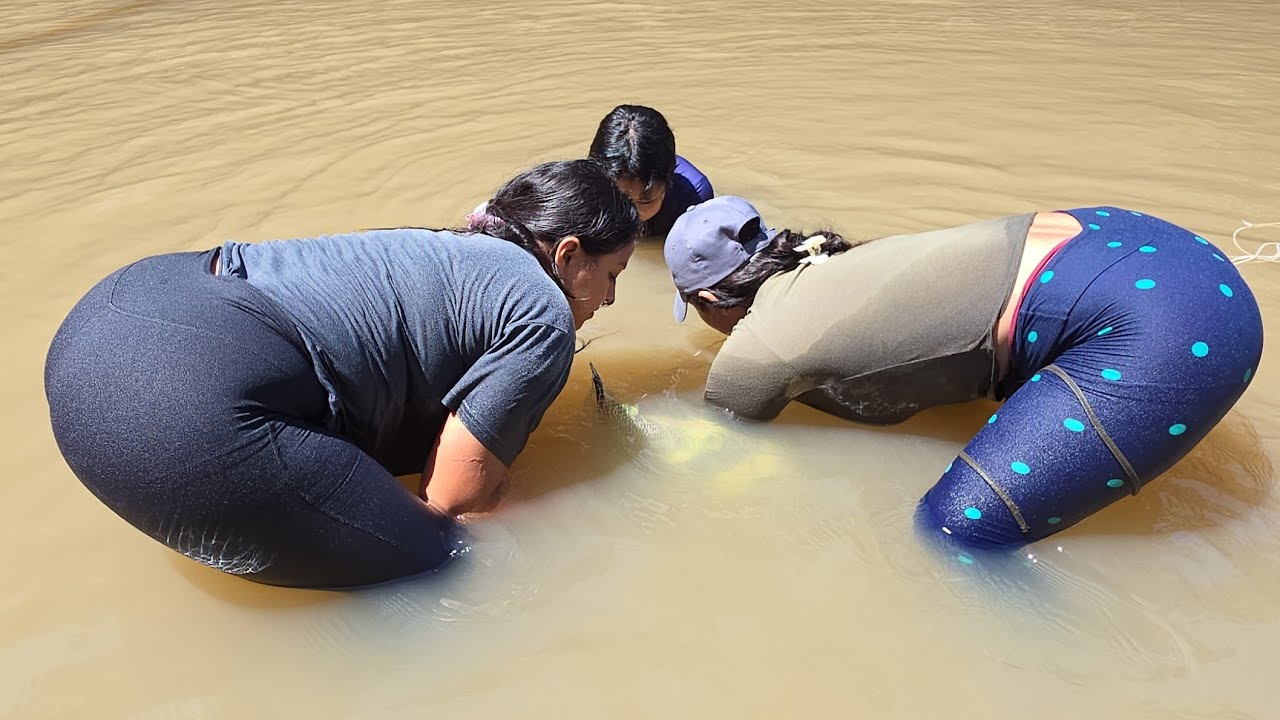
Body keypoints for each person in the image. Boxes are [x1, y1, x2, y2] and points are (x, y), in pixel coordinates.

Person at [44, 160, 640, 589]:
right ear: (566, 254)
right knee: (446, 557)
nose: (610, 298)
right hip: (178, 413)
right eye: (612, 273)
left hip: (101, 330)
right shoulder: (543, 311)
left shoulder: (445, 247)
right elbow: (456, 500)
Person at [663, 196, 1264, 549]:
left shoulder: (756, 345)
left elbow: (723, 445)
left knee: (953, 533)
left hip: (1172, 326)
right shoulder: (838, 259)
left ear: (712, 302)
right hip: (1137, 244)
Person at [587, 104, 714, 236]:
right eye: (619, 198)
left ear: (668, 182)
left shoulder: (693, 198)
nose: (630, 213)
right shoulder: (585, 187)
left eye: (645, 201)